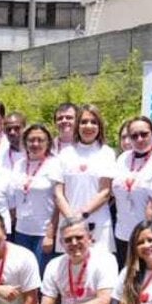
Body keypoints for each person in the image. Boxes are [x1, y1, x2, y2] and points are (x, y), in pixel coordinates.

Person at [56, 105, 117, 253]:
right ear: (77, 125)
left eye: (93, 122)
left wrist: (82, 215)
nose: (88, 126)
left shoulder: (106, 153)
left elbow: (105, 192)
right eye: (83, 122)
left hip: (98, 224)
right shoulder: (65, 153)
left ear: (99, 126)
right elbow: (59, 193)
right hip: (69, 226)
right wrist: (72, 220)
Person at [10, 124, 62, 272]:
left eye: (40, 140)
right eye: (31, 140)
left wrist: (50, 234)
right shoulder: (19, 165)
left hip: (43, 233)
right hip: (21, 231)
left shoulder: (54, 164)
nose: (35, 144)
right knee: (22, 274)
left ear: (48, 143)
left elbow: (59, 201)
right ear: (25, 142)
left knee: (41, 275)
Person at [111, 117, 152, 263]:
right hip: (122, 233)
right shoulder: (122, 158)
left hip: (147, 236)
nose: (139, 139)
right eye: (134, 135)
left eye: (144, 134)